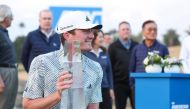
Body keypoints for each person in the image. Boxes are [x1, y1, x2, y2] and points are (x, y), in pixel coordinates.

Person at [22, 11, 103, 109]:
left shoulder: (95, 68)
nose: (92, 36)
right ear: (67, 35)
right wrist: (58, 95)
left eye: (91, 30)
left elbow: (93, 107)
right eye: (86, 30)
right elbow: (28, 106)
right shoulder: (41, 62)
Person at [108, 21, 138, 109]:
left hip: (135, 84)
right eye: (123, 29)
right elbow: (110, 68)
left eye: (127, 29)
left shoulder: (137, 46)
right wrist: (112, 86)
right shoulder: (113, 47)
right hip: (119, 85)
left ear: (131, 31)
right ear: (119, 32)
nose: (126, 31)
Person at [84, 30, 114, 109]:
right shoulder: (85, 53)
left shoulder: (104, 52)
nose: (102, 39)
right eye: (100, 37)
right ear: (93, 38)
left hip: (105, 88)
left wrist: (111, 88)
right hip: (91, 90)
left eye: (102, 37)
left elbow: (109, 72)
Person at [0, 4, 18, 109]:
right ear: (5, 18)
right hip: (3, 73)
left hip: (9, 72)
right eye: (11, 16)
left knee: (8, 105)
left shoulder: (4, 32)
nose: (12, 19)